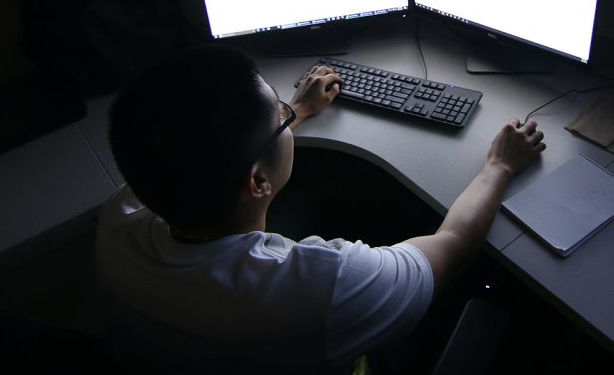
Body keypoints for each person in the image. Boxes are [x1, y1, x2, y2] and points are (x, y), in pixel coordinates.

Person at [96, 44, 545, 374]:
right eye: (280, 118)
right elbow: (454, 248)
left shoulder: (121, 214)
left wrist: (295, 110)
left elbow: (193, 136)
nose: (287, 117)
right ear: (257, 182)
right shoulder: (325, 285)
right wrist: (500, 164)